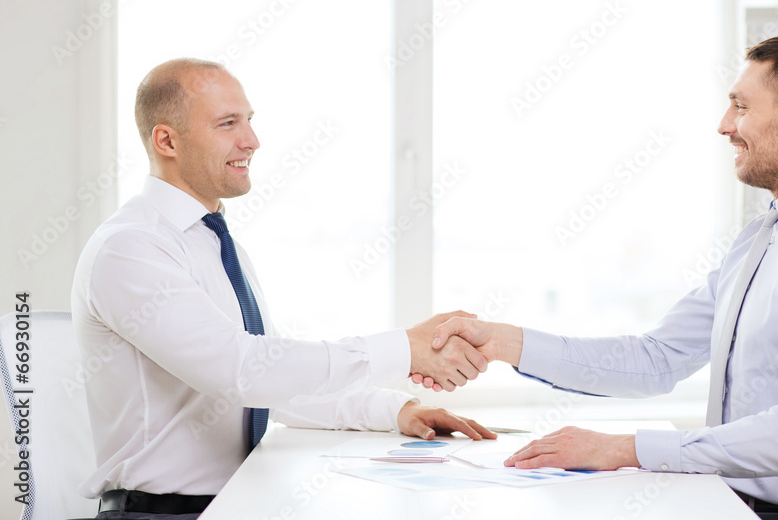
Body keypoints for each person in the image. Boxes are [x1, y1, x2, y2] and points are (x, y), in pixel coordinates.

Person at [415, 31, 778, 520]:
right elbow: (657, 359)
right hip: (729, 500)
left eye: (740, 106)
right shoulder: (763, 236)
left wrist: (622, 448)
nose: (724, 125)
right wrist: (503, 343)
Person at [71, 58, 495, 520]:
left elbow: (273, 379)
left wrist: (395, 411)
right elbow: (242, 372)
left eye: (249, 121)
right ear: (167, 140)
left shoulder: (213, 242)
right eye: (228, 123)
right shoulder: (130, 248)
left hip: (237, 504)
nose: (251, 140)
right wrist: (405, 349)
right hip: (161, 514)